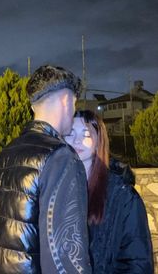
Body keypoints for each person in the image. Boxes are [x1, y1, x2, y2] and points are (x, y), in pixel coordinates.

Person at [0, 65, 92, 274]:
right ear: (66, 101)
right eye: (74, 103)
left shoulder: (5, 155)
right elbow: (66, 256)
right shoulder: (60, 157)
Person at [64, 110, 154, 273]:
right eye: (70, 133)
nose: (77, 140)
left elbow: (137, 262)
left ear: (99, 141)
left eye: (86, 134)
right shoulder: (55, 190)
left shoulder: (123, 195)